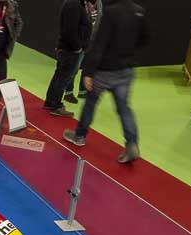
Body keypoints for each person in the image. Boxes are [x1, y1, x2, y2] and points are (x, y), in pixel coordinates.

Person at [63, 0, 149, 163]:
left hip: (104, 71)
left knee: (90, 103)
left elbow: (99, 44)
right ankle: (132, 144)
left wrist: (88, 73)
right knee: (124, 108)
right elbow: (145, 38)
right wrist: (130, 55)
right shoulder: (139, 11)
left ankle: (79, 136)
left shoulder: (111, 12)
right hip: (125, 70)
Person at [42, 0, 92, 117]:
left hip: (68, 48)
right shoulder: (74, 4)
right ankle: (56, 105)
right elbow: (69, 30)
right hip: (70, 50)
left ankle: (50, 102)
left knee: (59, 75)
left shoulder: (75, 3)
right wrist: (77, 47)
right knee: (63, 77)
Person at [64, 0, 102, 103]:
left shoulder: (99, 3)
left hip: (93, 42)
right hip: (81, 41)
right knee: (74, 68)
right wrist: (78, 43)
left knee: (87, 67)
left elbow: (99, 21)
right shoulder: (81, 3)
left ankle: (82, 91)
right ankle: (68, 92)